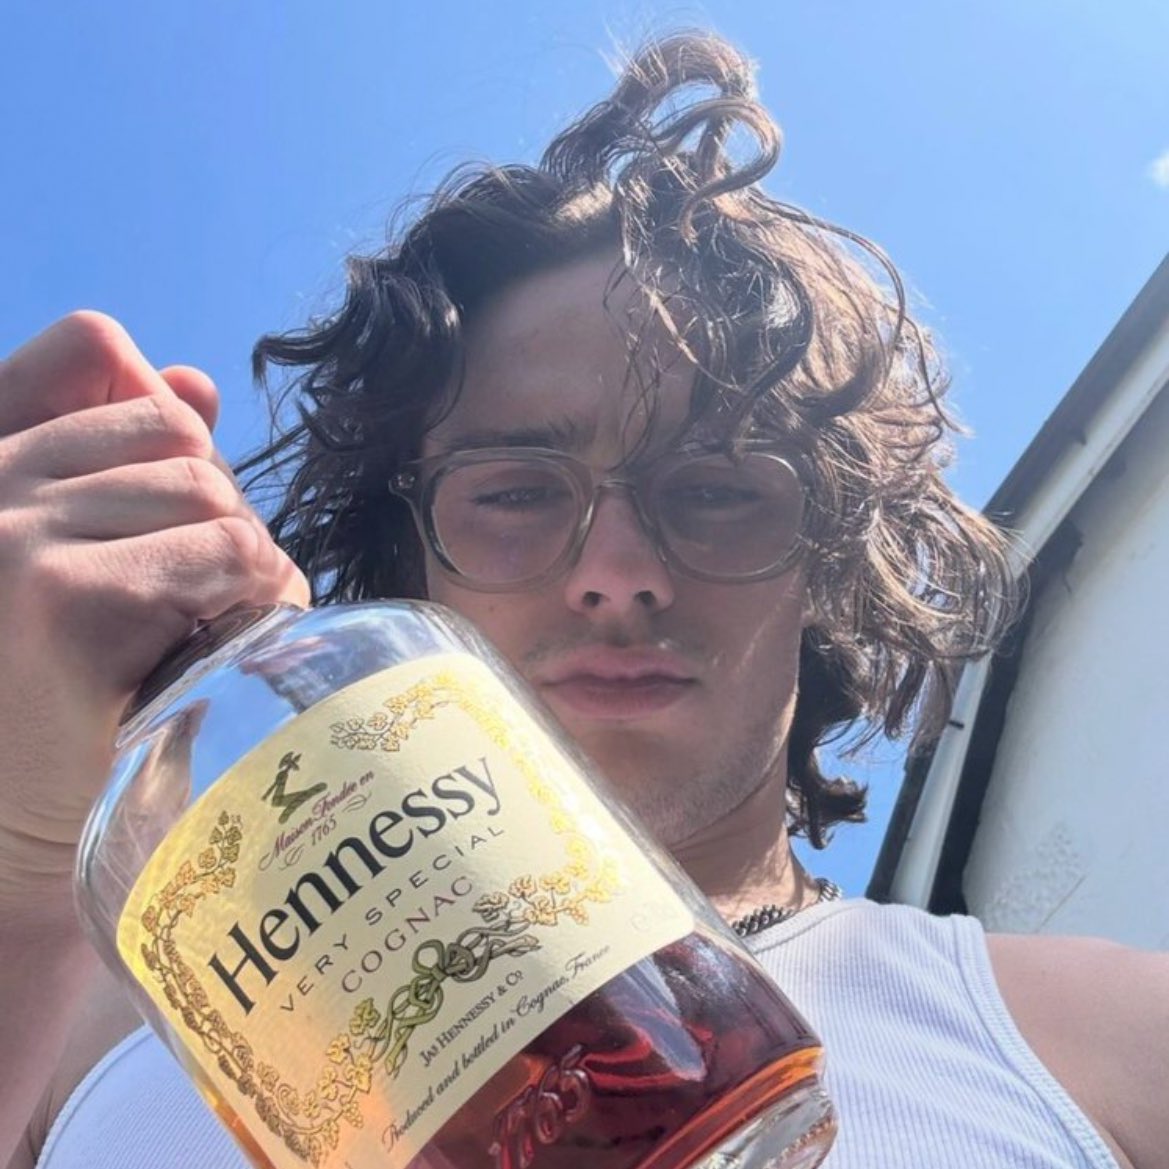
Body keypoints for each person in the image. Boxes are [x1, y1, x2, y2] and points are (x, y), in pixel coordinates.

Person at [0, 30, 1164, 1169]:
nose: (616, 568)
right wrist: (17, 871)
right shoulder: (98, 1018)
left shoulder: (1095, 1036)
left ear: (823, 558)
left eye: (716, 487)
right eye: (512, 491)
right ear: (411, 566)